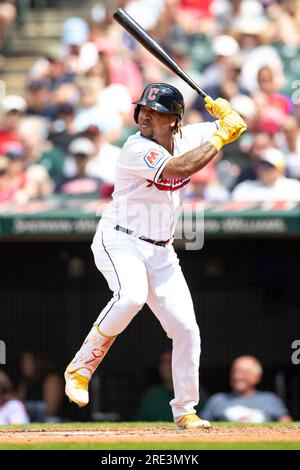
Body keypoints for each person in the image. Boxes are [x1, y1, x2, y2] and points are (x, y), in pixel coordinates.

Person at [64, 82, 246, 430]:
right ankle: (81, 368)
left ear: (174, 120)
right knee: (130, 296)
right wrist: (222, 136)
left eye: (155, 112)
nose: (145, 116)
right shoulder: (135, 148)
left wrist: (228, 114)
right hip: (120, 240)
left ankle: (185, 411)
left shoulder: (188, 136)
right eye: (143, 110)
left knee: (186, 330)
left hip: (161, 251)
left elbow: (232, 126)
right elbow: (180, 168)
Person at [201, 356, 293, 422]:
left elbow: (287, 425)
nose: (238, 376)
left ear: (257, 377)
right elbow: (200, 427)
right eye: (235, 371)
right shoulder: (217, 400)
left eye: (244, 372)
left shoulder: (270, 399)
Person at [134, 350, 208, 422]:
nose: (169, 366)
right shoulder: (151, 395)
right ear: (160, 368)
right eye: (165, 363)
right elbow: (138, 421)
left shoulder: (196, 392)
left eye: (172, 361)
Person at [232, 147, 300, 201]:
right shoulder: (244, 188)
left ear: (280, 170)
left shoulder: (294, 188)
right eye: (262, 165)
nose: (263, 170)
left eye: (269, 167)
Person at [18, 348, 64, 423]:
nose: (23, 365)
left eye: (26, 361)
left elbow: (51, 410)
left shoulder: (52, 379)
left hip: (53, 421)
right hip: (31, 420)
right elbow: (17, 406)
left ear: (37, 362)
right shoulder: (25, 381)